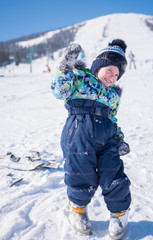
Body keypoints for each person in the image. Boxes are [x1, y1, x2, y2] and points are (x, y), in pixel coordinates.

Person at [51, 39, 131, 240]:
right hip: (78, 133)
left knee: (114, 175)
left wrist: (119, 138)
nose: (113, 77)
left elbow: (112, 118)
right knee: (80, 175)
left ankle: (119, 215)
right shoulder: (79, 80)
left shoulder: (113, 95)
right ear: (99, 66)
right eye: (110, 71)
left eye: (117, 74)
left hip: (106, 138)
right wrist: (66, 68)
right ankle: (78, 210)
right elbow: (59, 91)